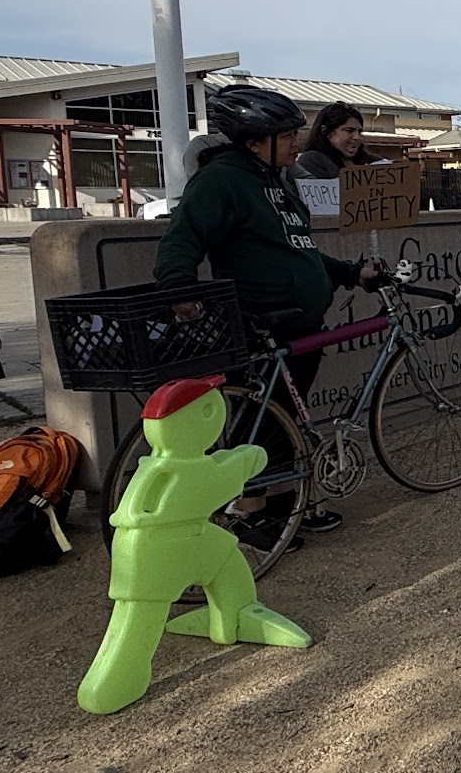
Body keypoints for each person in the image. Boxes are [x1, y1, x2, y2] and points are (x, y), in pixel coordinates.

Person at [155, 85, 385, 538]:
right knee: (261, 419)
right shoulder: (222, 180)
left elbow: (299, 250)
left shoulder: (276, 181)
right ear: (255, 141)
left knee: (285, 418)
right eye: (287, 135)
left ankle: (286, 504)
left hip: (298, 319)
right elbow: (182, 237)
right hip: (260, 319)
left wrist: (350, 272)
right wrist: (178, 285)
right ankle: (249, 508)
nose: (297, 142)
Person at [291, 102, 375, 181]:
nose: (357, 137)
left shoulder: (368, 160)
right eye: (349, 130)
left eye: (359, 132)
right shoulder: (312, 160)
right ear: (326, 131)